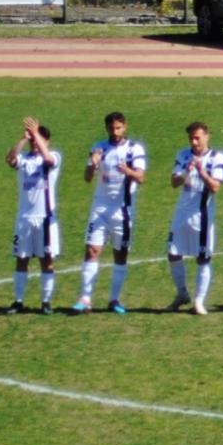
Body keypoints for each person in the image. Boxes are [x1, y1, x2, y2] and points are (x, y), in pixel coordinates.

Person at [72, 111, 147, 315]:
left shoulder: (134, 149)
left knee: (120, 255)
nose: (115, 132)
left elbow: (141, 177)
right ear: (106, 128)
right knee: (92, 251)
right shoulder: (99, 147)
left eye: (118, 128)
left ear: (125, 127)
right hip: (100, 208)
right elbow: (87, 178)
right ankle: (85, 298)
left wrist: (128, 171)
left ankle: (114, 299)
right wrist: (92, 164)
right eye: (112, 128)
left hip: (123, 210)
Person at [167, 120, 223, 315]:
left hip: (203, 215)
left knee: (203, 257)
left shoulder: (217, 157)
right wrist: (187, 171)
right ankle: (182, 293)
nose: (194, 142)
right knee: (173, 253)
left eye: (197, 138)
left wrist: (202, 172)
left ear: (207, 136)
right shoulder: (183, 155)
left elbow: (216, 187)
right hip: (182, 212)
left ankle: (199, 301)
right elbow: (174, 183)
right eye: (191, 138)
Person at [5, 118, 61, 314]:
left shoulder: (53, 156)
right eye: (32, 141)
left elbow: (49, 160)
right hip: (24, 218)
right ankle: (18, 301)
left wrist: (36, 134)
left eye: (38, 140)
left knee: (46, 260)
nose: (35, 143)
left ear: (47, 141)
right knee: (22, 259)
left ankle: (46, 302)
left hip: (45, 219)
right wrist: (23, 139)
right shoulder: (25, 160)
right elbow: (10, 159)